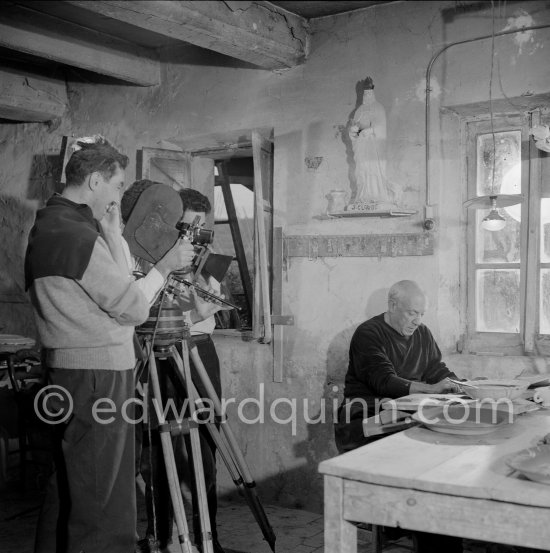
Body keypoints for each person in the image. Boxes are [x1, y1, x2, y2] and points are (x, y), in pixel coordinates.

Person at [25, 137, 195, 553]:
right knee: (105, 500)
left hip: (67, 370)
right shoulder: (75, 236)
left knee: (69, 487)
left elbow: (115, 285)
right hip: (97, 376)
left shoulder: (54, 224)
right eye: (118, 186)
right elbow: (133, 306)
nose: (120, 196)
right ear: (96, 180)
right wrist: (165, 266)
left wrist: (113, 231)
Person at [121, 181, 228, 553]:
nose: (194, 237)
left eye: (201, 227)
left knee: (205, 447)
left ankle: (205, 539)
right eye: (188, 227)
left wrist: (205, 295)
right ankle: (162, 537)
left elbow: (209, 302)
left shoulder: (205, 257)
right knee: (159, 448)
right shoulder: (148, 255)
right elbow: (139, 308)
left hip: (200, 351)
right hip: (160, 352)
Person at [335, 279, 463, 553]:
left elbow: (436, 369)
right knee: (422, 466)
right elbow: (384, 381)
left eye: (421, 314)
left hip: (406, 416)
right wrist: (432, 389)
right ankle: (424, 530)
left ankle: (437, 532)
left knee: (443, 458)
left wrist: (462, 387)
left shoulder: (423, 333)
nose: (417, 320)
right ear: (393, 306)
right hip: (364, 420)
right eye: (411, 313)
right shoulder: (369, 333)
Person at [348, 76, 393, 206]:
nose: (367, 95)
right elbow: (354, 130)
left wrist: (371, 130)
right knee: (362, 170)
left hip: (374, 148)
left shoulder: (379, 107)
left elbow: (381, 126)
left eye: (369, 92)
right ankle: (363, 196)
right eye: (365, 93)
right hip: (362, 146)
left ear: (373, 93)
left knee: (374, 169)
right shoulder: (359, 110)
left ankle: (377, 195)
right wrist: (353, 130)